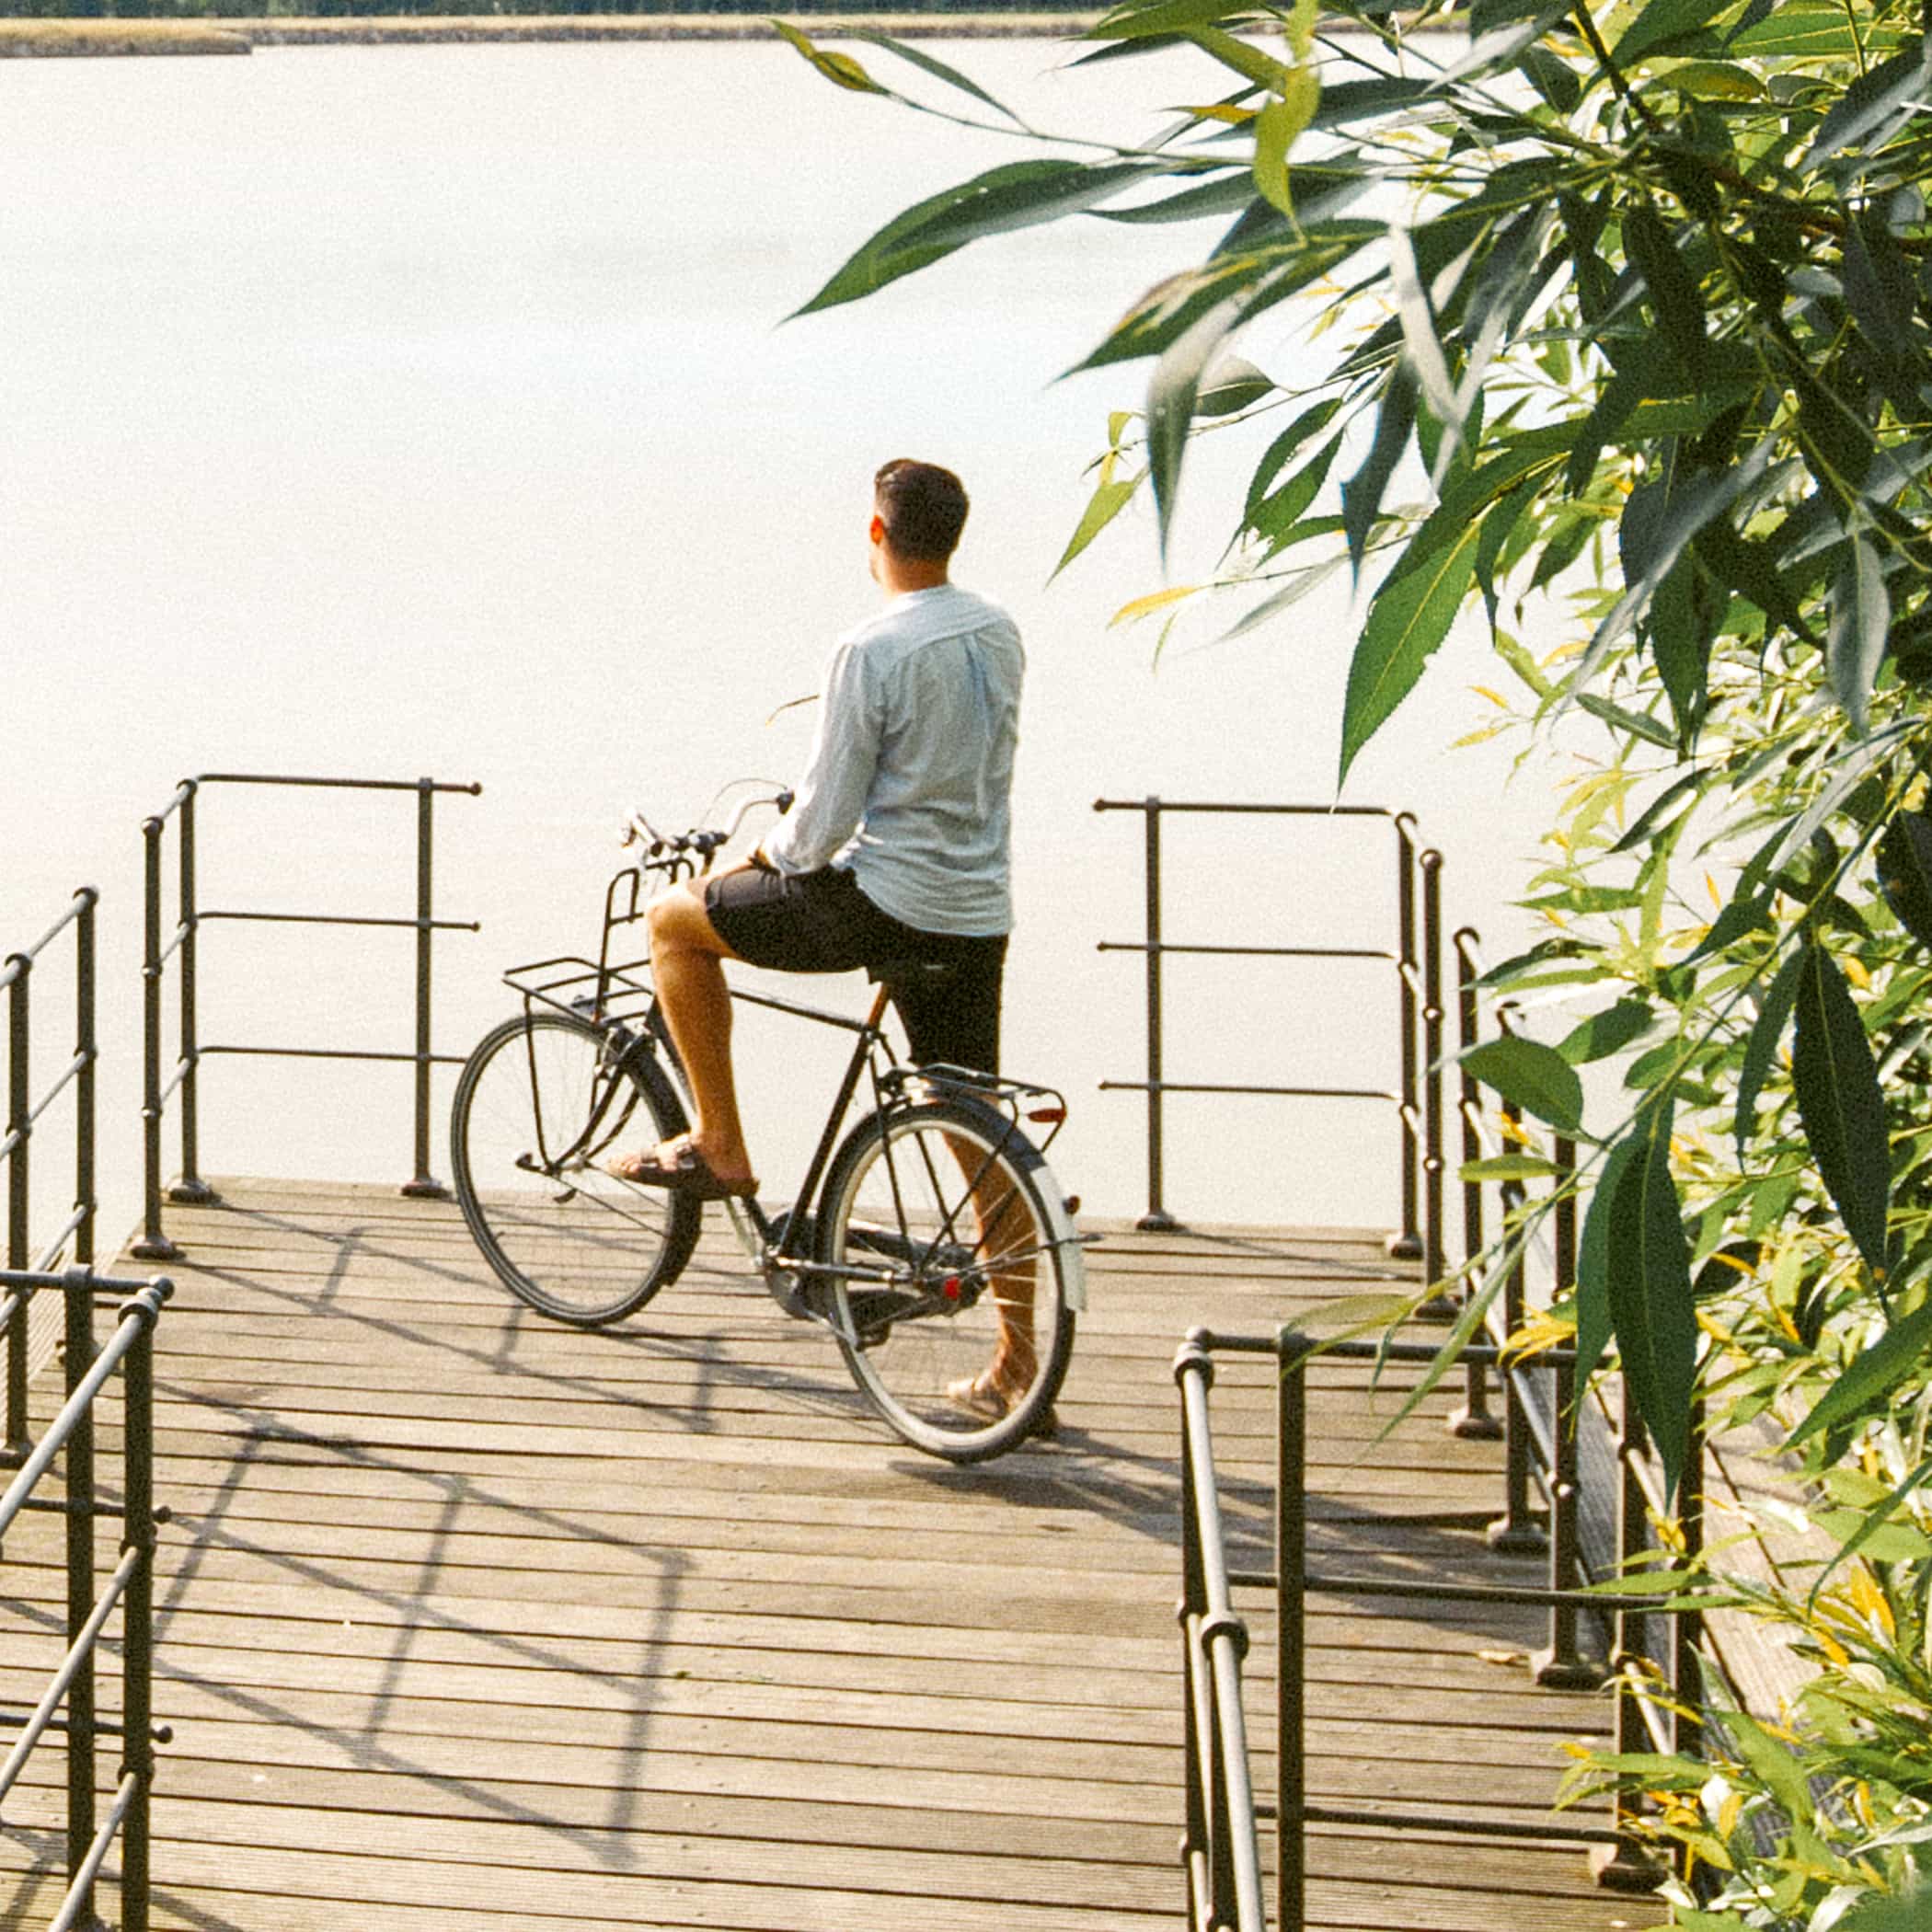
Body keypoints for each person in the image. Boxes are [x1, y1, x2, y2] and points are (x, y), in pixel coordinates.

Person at [608, 458, 1041, 1421]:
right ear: (953, 535)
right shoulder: (999, 630)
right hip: (977, 906)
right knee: (975, 1124)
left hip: (884, 900)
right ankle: (1020, 1368)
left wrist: (743, 858)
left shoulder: (869, 648)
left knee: (674, 923)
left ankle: (719, 1145)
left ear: (877, 535)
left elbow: (821, 826)